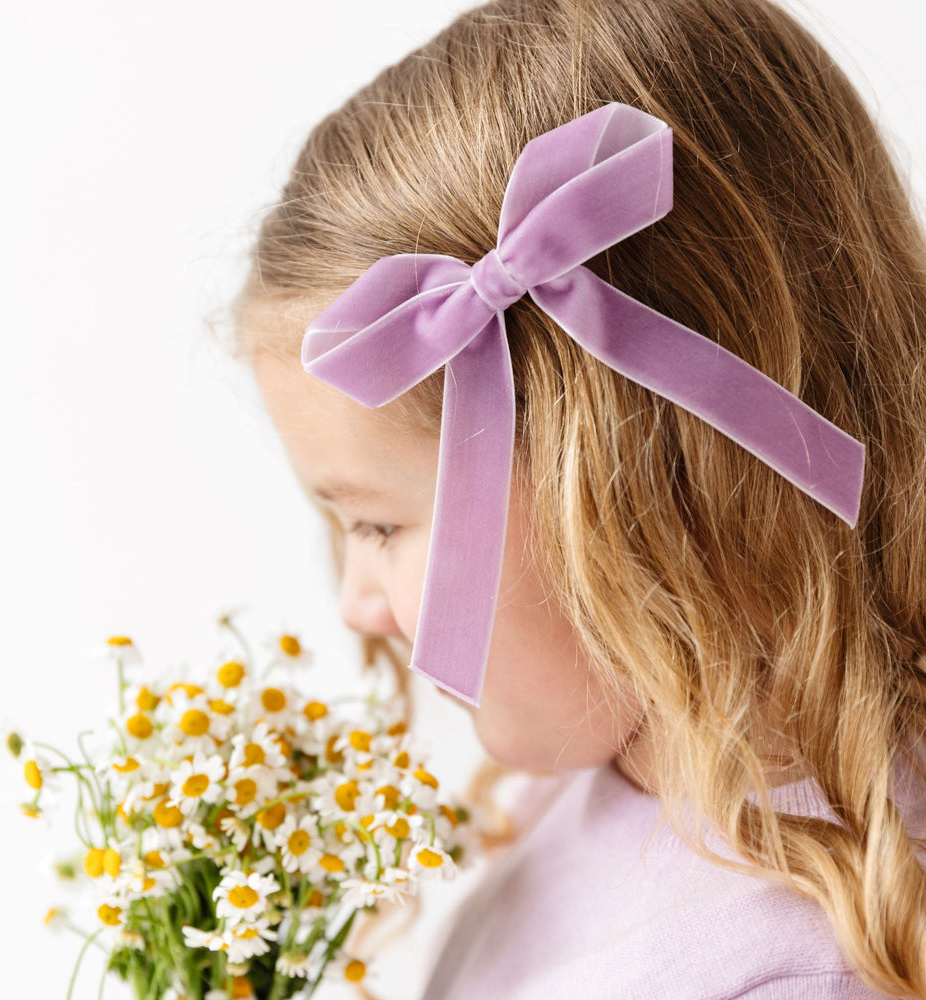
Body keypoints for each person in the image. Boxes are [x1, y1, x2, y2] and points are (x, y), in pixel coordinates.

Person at [229, 0, 926, 995]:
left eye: (378, 524)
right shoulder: (594, 791)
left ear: (620, 484)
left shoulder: (805, 966)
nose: (356, 603)